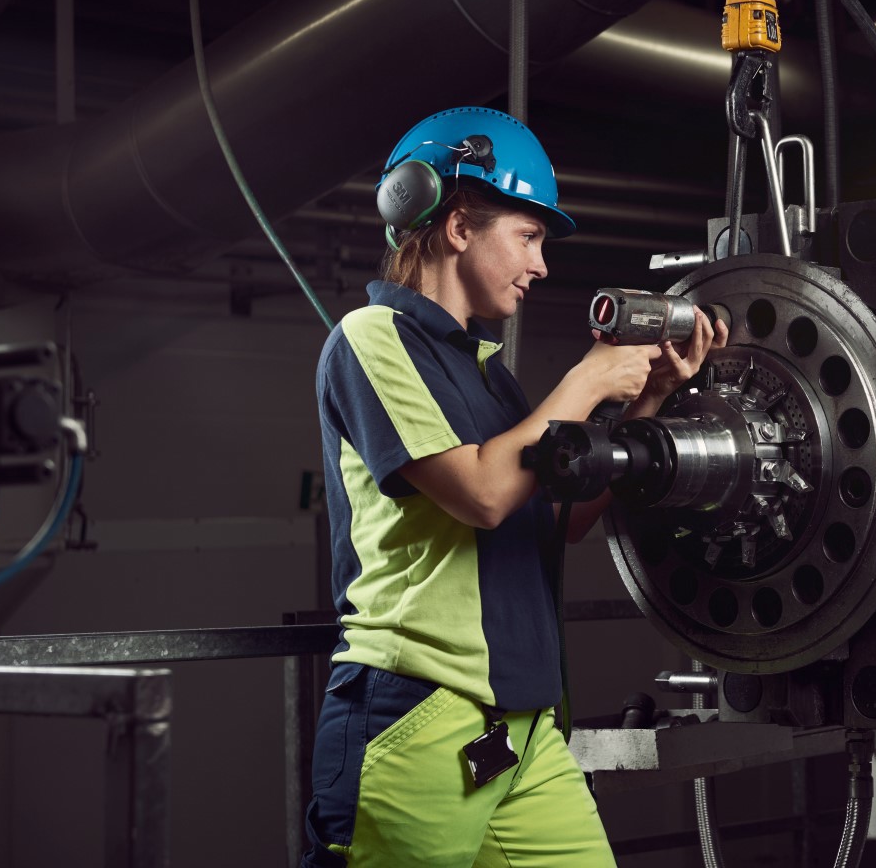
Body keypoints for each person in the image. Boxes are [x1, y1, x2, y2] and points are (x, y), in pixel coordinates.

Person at [302, 106, 725, 867]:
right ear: (459, 225)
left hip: (523, 730)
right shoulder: (368, 340)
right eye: (527, 236)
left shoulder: (488, 370)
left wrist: (645, 401)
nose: (541, 265)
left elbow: (561, 518)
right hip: (419, 714)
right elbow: (482, 494)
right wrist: (587, 378)